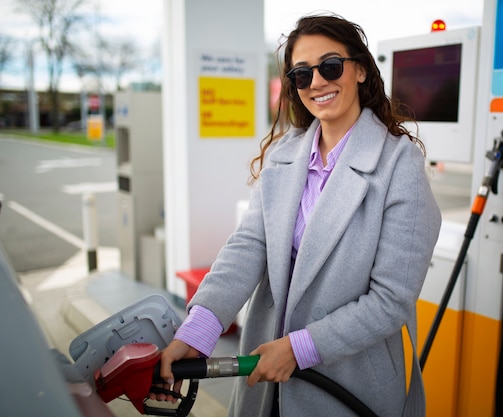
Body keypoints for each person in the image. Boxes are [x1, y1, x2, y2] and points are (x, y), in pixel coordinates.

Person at [155, 13, 442, 417]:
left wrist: (298, 348)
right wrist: (198, 333)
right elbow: (248, 246)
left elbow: (392, 300)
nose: (317, 83)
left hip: (346, 386)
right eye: (301, 75)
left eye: (330, 66)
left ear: (359, 69)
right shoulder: (284, 155)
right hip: (265, 383)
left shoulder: (400, 165)